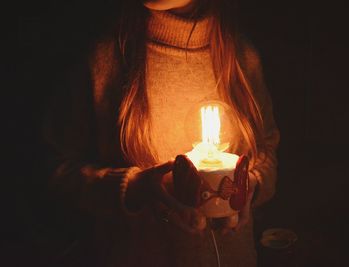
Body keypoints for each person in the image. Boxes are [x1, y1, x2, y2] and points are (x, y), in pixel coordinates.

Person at [44, 0, 279, 266]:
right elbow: (54, 170)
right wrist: (133, 188)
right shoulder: (105, 60)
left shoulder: (241, 58)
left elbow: (267, 150)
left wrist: (248, 186)